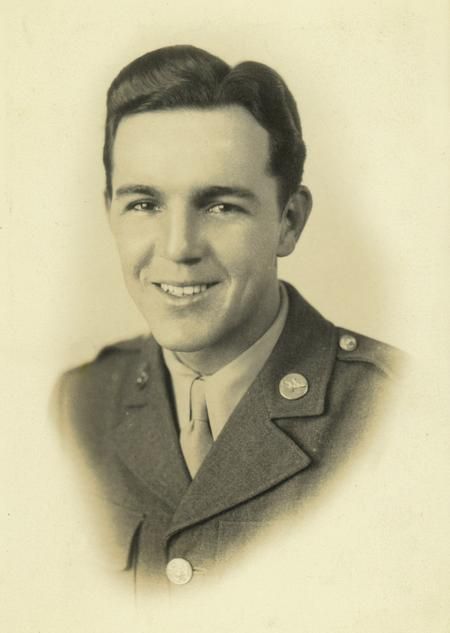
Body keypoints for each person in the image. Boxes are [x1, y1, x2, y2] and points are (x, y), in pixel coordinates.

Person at [53, 44, 404, 590]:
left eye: (220, 206)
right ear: (110, 214)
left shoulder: (400, 411)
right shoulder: (79, 403)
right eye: (144, 204)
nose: (178, 248)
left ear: (289, 221)